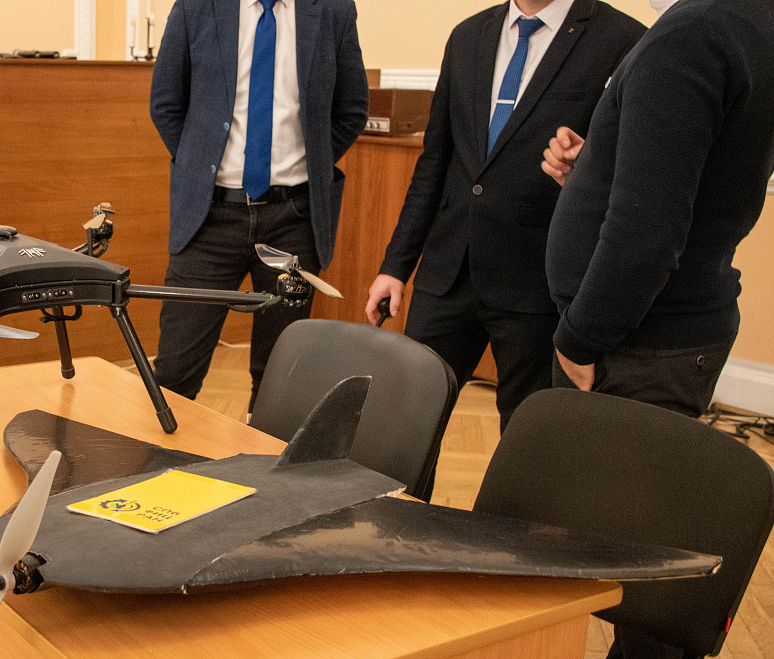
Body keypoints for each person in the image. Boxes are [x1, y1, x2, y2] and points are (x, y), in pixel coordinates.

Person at [542, 0, 774, 659]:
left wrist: (580, 337)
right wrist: (601, 164)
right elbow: (702, 179)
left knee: (635, 565)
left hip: (634, 343)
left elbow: (647, 237)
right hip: (673, 331)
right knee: (641, 546)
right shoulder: (747, 21)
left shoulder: (695, 32)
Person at [363, 0, 644, 433]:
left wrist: (588, 163)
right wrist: (396, 265)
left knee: (528, 438)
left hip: (537, 284)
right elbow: (435, 162)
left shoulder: (624, 40)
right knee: (402, 426)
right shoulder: (467, 35)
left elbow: (633, 173)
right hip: (447, 274)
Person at [149, 0, 368, 410]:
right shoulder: (197, 6)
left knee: (278, 378)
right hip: (208, 220)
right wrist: (200, 165)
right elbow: (165, 103)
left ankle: (263, 452)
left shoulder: (333, 10)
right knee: (176, 371)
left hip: (293, 219)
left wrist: (309, 164)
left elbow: (351, 110)